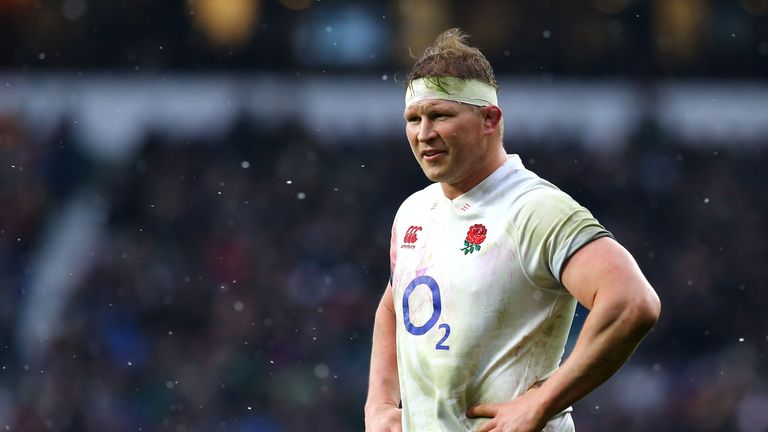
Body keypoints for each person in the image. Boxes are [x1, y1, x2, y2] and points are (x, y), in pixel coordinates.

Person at [364, 28, 661, 432]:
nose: (424, 133)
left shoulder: (534, 208)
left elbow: (632, 302)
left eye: (441, 116)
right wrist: (380, 403)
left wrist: (542, 401)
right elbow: (393, 305)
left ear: (490, 119)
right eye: (414, 119)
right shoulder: (415, 211)